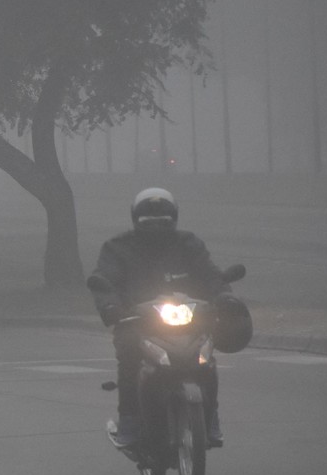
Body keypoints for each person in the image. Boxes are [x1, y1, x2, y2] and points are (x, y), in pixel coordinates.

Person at [87, 187, 232, 449]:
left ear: (174, 219)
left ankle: (210, 418)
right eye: (148, 222)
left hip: (191, 319)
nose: (156, 227)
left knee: (206, 361)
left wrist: (223, 295)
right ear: (135, 220)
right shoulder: (118, 247)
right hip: (138, 322)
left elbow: (210, 274)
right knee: (130, 358)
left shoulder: (189, 244)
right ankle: (129, 420)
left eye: (163, 222)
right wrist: (111, 306)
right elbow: (104, 280)